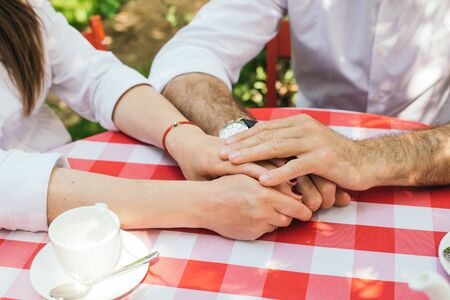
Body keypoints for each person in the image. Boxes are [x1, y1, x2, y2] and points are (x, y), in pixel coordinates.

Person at [0, 0, 312, 241]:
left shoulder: (22, 7)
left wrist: (188, 140)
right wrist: (205, 205)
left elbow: (96, 78)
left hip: (73, 200)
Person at [149, 0, 450, 195]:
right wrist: (246, 139)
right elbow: (189, 55)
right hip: (299, 172)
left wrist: (364, 157)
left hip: (429, 169)